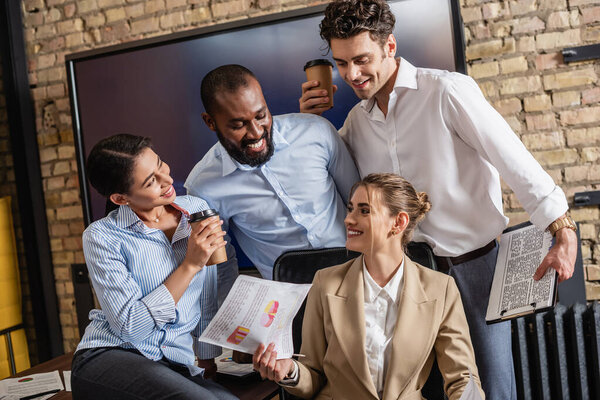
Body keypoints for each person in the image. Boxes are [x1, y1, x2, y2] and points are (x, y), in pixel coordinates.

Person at [298, 1, 578, 398]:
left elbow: (514, 160)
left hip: (473, 270)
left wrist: (563, 231)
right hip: (403, 275)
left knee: (491, 388)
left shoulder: (447, 90)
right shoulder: (355, 124)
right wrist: (309, 128)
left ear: (390, 46)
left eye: (361, 60)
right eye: (342, 64)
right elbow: (330, 184)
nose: (352, 75)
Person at [253, 173, 484, 399]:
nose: (349, 219)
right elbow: (312, 375)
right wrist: (289, 371)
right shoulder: (325, 283)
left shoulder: (440, 289)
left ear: (398, 222)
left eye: (364, 210)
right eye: (351, 208)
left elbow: (462, 377)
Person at [71, 134, 238, 400]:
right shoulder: (102, 236)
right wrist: (191, 264)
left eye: (160, 164)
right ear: (120, 198)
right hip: (113, 355)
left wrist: (207, 359)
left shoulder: (195, 210)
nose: (168, 181)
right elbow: (130, 327)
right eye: (151, 182)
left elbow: (205, 296)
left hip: (175, 364)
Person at [185, 64, 360, 279]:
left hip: (356, 271)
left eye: (261, 116)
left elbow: (358, 201)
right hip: (291, 294)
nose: (256, 133)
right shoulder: (202, 187)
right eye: (239, 125)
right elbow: (219, 264)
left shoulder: (316, 130)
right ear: (210, 122)